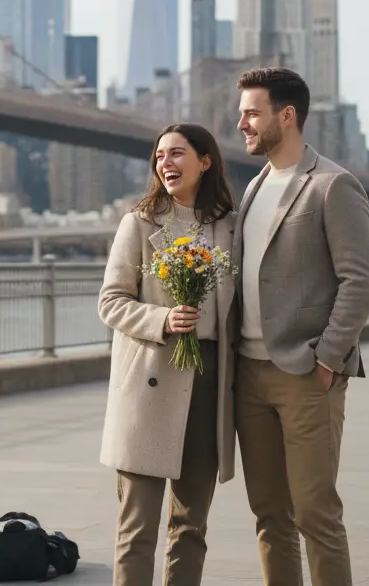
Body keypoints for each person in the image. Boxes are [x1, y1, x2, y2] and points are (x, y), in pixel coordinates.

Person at [233, 67, 369, 585]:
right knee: (270, 517)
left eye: (251, 112)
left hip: (304, 376)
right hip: (247, 375)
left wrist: (326, 359)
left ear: (286, 115)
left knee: (315, 514)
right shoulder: (252, 187)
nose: (241, 122)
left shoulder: (333, 185)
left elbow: (359, 281)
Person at [98, 123, 238, 586]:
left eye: (177, 153)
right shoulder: (138, 223)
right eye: (159, 156)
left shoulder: (230, 226)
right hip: (151, 381)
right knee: (137, 528)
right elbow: (111, 301)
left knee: (191, 527)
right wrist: (162, 320)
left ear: (205, 161)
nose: (166, 163)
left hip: (208, 382)